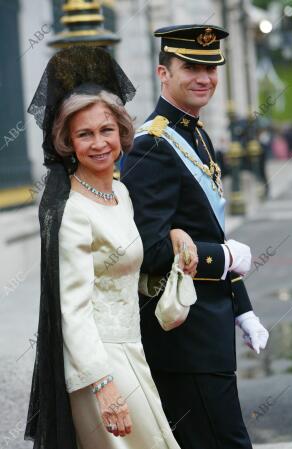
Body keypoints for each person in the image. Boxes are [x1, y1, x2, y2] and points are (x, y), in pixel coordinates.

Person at [24, 46, 181, 449]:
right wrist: (103, 386)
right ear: (66, 141)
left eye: (106, 129)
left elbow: (121, 276)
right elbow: (72, 311)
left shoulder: (122, 195)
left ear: (122, 131)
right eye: (84, 134)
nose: (98, 143)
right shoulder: (73, 211)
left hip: (132, 351)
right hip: (100, 367)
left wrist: (178, 243)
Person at [122, 24, 269, 449]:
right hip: (183, 337)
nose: (204, 77)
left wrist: (242, 309)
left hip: (209, 330)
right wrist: (222, 258)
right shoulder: (150, 145)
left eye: (211, 67)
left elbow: (206, 229)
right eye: (191, 66)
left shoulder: (197, 135)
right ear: (162, 73)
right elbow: (149, 250)